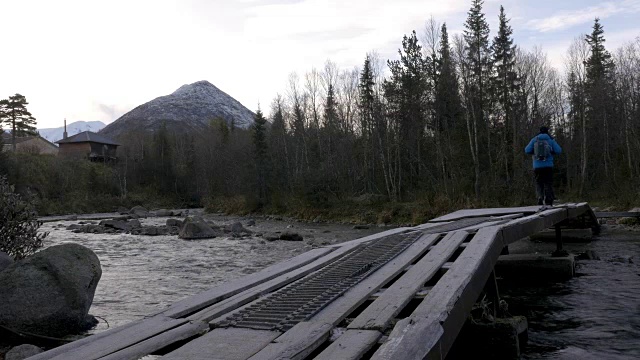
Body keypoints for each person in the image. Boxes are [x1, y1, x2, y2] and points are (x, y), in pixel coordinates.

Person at [525, 126, 562, 207]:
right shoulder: (550, 140)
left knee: (539, 183)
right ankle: (548, 200)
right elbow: (559, 150)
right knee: (548, 183)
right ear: (547, 131)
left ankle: (540, 198)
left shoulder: (534, 139)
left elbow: (527, 150)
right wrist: (551, 151)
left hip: (537, 166)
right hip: (548, 166)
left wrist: (533, 152)